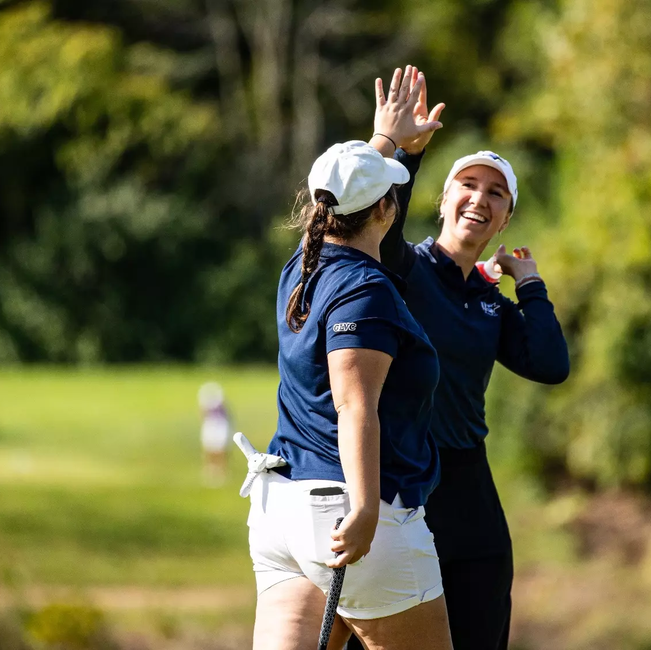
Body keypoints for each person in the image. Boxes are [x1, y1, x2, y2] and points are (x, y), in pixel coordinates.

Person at [237, 67, 454, 650]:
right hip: (349, 517)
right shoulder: (368, 289)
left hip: (281, 515)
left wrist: (386, 140)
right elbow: (356, 405)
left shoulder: (302, 265)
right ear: (387, 210)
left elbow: (348, 187)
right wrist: (363, 510)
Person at [362, 67, 571, 650]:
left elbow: (550, 364)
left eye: (495, 193)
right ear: (446, 199)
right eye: (468, 186)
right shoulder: (404, 267)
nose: (480, 198)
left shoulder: (489, 301)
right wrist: (408, 151)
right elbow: (385, 219)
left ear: (506, 218)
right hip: (400, 480)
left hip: (469, 486)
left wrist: (528, 284)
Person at [198, 381, 230, 485]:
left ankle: (220, 471)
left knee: (220, 448)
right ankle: (211, 470)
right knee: (210, 448)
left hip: (219, 424)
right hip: (211, 424)